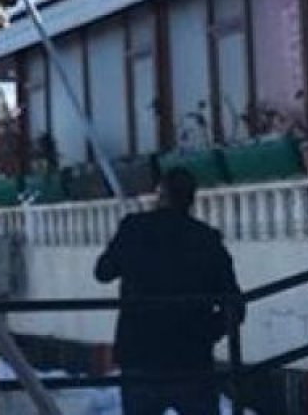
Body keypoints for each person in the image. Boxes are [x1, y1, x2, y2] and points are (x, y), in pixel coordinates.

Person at [94, 168, 243, 415]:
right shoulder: (206, 239)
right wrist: (208, 332)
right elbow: (234, 304)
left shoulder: (134, 228)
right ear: (191, 199)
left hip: (140, 352)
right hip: (192, 356)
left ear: (160, 195)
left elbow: (103, 272)